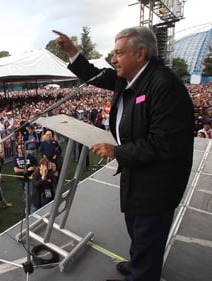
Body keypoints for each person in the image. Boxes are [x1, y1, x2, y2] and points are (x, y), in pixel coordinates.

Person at [55, 26, 194, 281]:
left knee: (148, 232)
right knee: (138, 230)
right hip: (138, 171)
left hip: (157, 182)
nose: (113, 59)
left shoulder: (164, 85)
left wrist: (117, 151)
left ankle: (143, 273)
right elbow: (95, 75)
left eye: (118, 53)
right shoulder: (129, 78)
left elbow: (164, 144)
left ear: (140, 53)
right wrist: (73, 52)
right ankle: (140, 263)